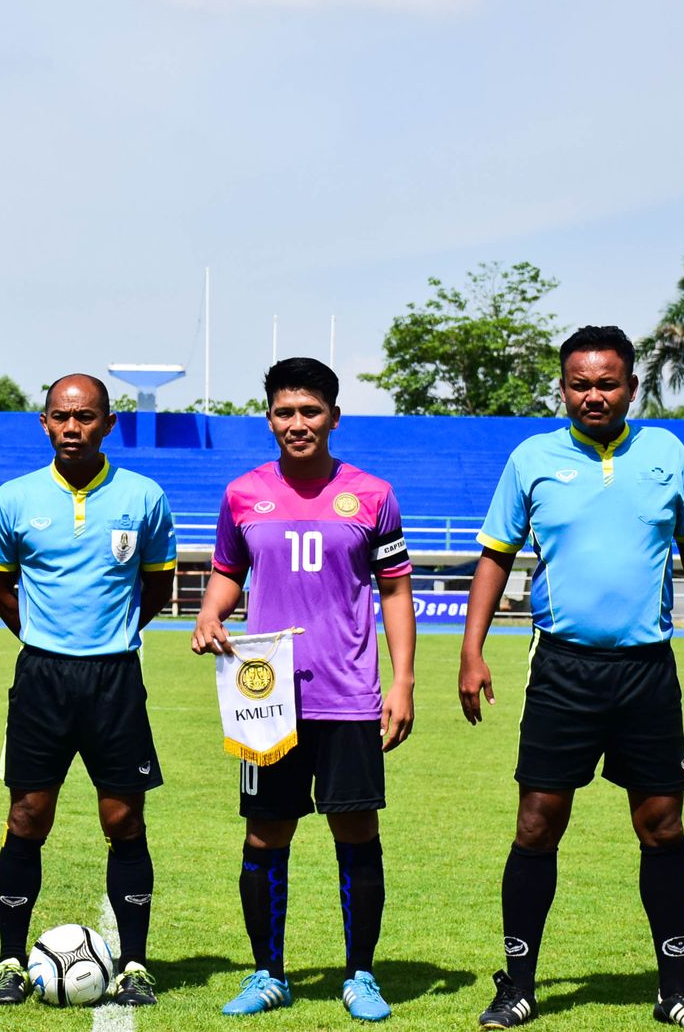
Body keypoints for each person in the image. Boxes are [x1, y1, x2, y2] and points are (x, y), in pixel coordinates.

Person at [459, 326, 684, 1032]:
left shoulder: (667, 453)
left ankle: (675, 988)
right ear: (563, 387)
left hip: (647, 670)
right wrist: (471, 650)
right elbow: (495, 556)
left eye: (607, 383)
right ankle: (518, 986)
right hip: (563, 669)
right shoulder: (532, 459)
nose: (593, 395)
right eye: (580, 384)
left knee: (662, 823)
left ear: (631, 387)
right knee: (537, 821)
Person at [192, 357, 417, 1022]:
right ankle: (268, 974)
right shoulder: (242, 494)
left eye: (310, 411)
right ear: (269, 419)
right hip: (264, 698)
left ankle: (361, 975)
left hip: (349, 694)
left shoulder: (372, 495)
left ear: (334, 418)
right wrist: (210, 612)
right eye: (285, 412)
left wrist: (403, 680)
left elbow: (395, 590)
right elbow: (228, 571)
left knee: (357, 830)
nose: (298, 423)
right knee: (265, 836)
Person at [0, 373, 176, 1008]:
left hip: (115, 679)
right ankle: (9, 960)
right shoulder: (13, 498)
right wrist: (44, 638)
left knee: (124, 818)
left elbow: (158, 585)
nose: (73, 427)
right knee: (27, 816)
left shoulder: (143, 496)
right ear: (44, 422)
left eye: (86, 417)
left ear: (108, 423)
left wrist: (110, 637)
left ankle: (136, 964)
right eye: (61, 417)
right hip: (42, 678)